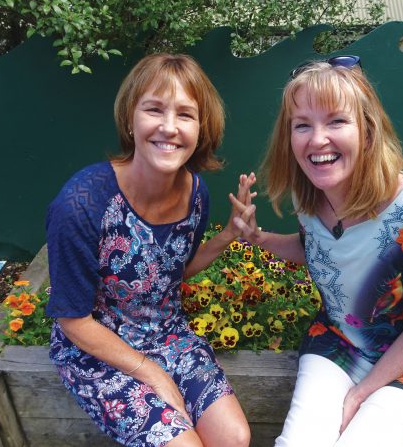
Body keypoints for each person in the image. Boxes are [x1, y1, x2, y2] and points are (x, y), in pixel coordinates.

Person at [233, 56, 403, 446]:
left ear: (368, 130)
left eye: (336, 121)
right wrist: (259, 239)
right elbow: (319, 251)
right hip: (336, 344)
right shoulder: (311, 198)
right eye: (302, 124)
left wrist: (359, 395)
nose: (317, 139)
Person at [45, 53, 254, 447]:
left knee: (235, 438)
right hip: (96, 350)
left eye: (186, 115)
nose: (169, 128)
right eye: (154, 109)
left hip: (167, 334)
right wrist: (152, 373)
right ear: (130, 118)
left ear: (201, 128)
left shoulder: (196, 193)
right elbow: (72, 319)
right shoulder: (81, 204)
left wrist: (228, 235)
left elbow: (170, 274)